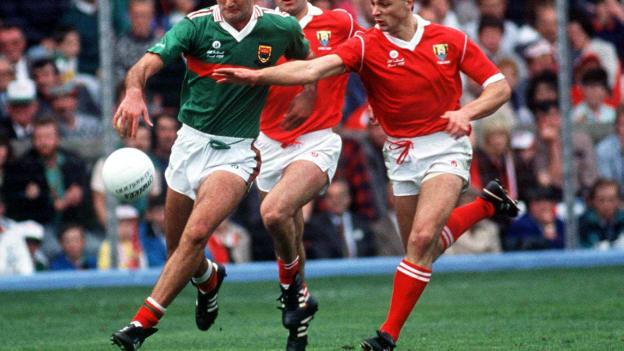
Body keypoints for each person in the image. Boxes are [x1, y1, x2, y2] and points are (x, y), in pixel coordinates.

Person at [213, 0, 519, 348]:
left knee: (420, 241)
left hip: (447, 145)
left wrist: (468, 112)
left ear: (407, 4)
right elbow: (314, 69)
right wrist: (257, 76)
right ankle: (486, 205)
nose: (376, 11)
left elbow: (500, 87)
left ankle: (387, 335)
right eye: (372, 4)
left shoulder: (449, 39)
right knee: (421, 250)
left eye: (384, 4)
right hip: (401, 152)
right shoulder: (365, 44)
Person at [109, 0, 311, 349]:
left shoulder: (281, 28)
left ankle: (140, 324)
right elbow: (143, 66)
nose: (229, 1)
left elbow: (307, 61)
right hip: (188, 146)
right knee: (179, 251)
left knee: (197, 233)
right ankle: (208, 278)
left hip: (237, 153)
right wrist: (132, 90)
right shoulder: (195, 26)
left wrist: (308, 95)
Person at [254, 0, 360, 348]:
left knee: (275, 212)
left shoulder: (339, 22)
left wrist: (376, 104)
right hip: (268, 141)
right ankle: (298, 325)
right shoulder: (261, 26)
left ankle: (292, 292)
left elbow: (368, 57)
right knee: (288, 231)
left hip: (317, 139)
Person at [579, 179, 624, 249]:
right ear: (593, 201)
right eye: (601, 200)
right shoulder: (582, 223)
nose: (606, 205)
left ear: (618, 200)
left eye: (611, 200)